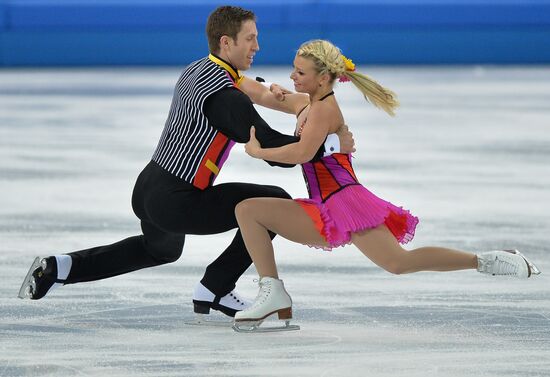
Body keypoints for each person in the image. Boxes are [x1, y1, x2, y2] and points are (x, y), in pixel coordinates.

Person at [17, 7, 356, 322]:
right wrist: (325, 143)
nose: (258, 46)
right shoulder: (224, 97)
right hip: (178, 199)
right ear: (227, 42)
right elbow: (270, 147)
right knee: (274, 202)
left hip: (150, 187)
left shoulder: (202, 69)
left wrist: (306, 108)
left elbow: (266, 94)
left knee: (159, 249)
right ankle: (216, 287)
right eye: (250, 38)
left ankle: (59, 268)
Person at [232, 39, 541, 330]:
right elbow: (259, 94)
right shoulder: (307, 103)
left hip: (344, 201)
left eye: (300, 72)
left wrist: (259, 152)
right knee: (249, 211)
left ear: (324, 78)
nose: (292, 76)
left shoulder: (324, 110)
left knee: (398, 262)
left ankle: (488, 261)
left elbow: (301, 153)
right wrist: (223, 68)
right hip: (326, 201)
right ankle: (272, 291)